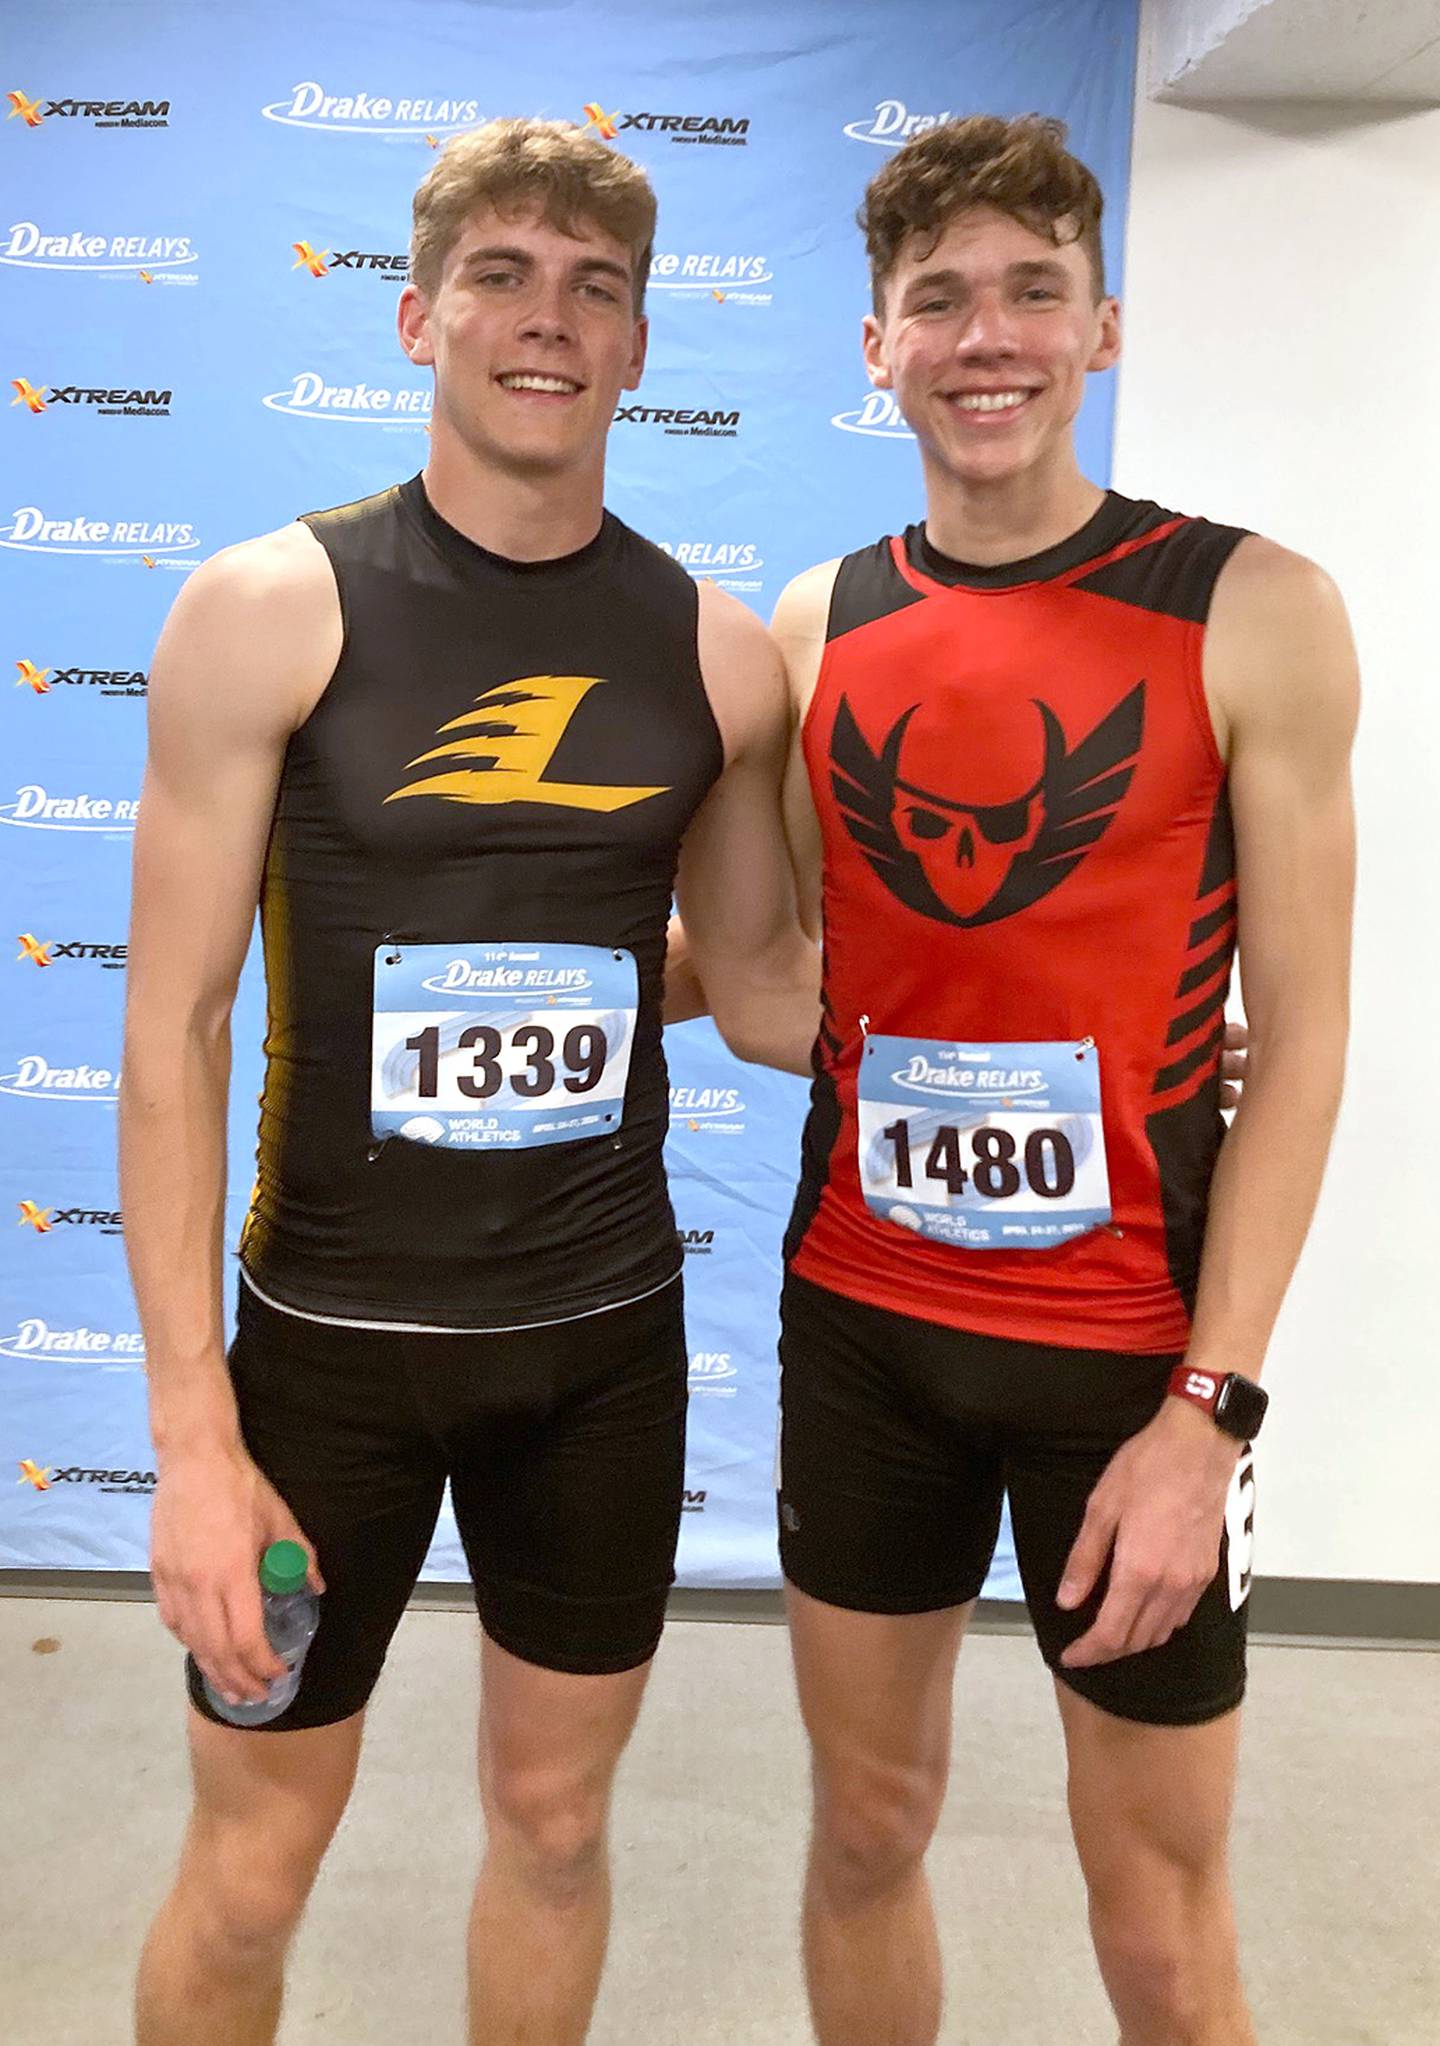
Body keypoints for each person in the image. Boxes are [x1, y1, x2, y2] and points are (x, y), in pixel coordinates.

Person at [119, 118, 816, 2046]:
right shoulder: (271, 609)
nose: (550, 320)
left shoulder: (716, 651)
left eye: (598, 288)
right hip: (326, 1360)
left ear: (642, 348)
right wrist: (191, 1438)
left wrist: (1070, 1034)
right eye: (503, 277)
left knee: (560, 1825)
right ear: (419, 316)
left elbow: (756, 987)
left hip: (599, 1350)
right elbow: (172, 1030)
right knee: (252, 1873)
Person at [742, 115, 1354, 2045]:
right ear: (876, 347)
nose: (985, 335)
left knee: (1161, 1915)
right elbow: (789, 988)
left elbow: (1309, 1043)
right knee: (864, 1833)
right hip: (862, 1337)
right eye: (940, 300)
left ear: (1104, 327)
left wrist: (1208, 1420)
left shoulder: (1252, 606)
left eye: (1031, 293)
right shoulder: (818, 624)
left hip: (1128, 1363)